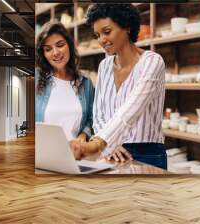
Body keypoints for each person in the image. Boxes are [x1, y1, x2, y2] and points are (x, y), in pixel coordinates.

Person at [71, 4, 167, 169]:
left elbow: (132, 109)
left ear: (127, 27)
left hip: (147, 153)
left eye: (107, 32)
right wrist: (110, 145)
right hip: (111, 152)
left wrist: (99, 143)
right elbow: (99, 113)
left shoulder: (152, 62)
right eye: (97, 35)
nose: (102, 40)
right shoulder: (104, 66)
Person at [35, 21, 94, 150]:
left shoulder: (85, 83)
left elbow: (91, 118)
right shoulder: (36, 79)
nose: (55, 52)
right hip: (44, 154)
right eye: (48, 49)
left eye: (60, 45)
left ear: (69, 45)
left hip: (75, 155)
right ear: (43, 54)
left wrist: (84, 135)